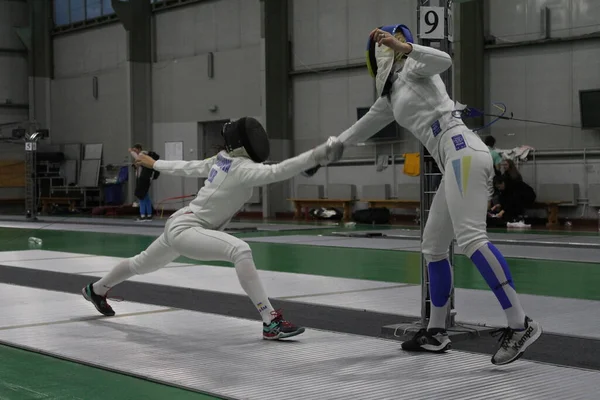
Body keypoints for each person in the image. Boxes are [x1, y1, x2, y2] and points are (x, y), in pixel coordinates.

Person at [303, 25, 541, 365]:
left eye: (389, 44)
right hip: (452, 161)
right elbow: (356, 131)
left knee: (472, 238)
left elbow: (443, 60)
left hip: (461, 149)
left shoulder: (414, 68)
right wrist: (324, 152)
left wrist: (405, 47)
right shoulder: (390, 99)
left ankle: (521, 325)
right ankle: (436, 331)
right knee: (432, 246)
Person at [83, 117, 343, 340]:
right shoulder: (241, 168)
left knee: (140, 264)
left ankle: (96, 290)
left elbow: (188, 167)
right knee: (240, 250)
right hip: (188, 228)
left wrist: (154, 164)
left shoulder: (224, 159)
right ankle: (271, 322)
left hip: (182, 225)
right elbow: (277, 171)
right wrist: (315, 155)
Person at [129, 144, 160, 222]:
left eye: (135, 150)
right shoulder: (145, 157)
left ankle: (143, 215)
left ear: (139, 149)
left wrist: (131, 152)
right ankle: (149, 215)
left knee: (141, 196)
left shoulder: (142, 154)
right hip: (145, 178)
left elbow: (137, 157)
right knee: (145, 196)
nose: (135, 152)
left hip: (144, 179)